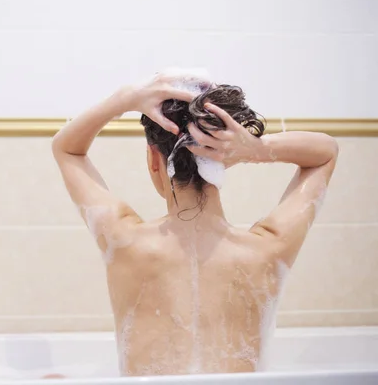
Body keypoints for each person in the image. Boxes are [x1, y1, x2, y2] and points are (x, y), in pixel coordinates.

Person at [51, 69, 339, 376]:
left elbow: (66, 149)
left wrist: (125, 99)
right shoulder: (268, 249)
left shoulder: (126, 242)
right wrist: (255, 150)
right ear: (224, 161)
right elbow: (325, 153)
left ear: (152, 160)